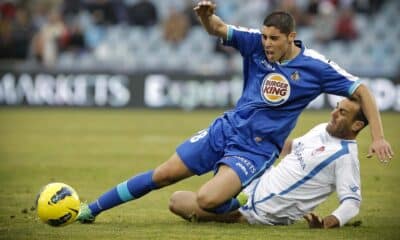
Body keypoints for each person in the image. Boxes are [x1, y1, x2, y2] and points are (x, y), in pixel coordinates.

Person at [76, 1, 393, 223]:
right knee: (163, 175)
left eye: (274, 39)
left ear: (291, 38)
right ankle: (91, 209)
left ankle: (248, 198)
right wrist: (205, 16)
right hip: (226, 129)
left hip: (256, 150)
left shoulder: (316, 67)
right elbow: (218, 29)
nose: (267, 44)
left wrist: (377, 137)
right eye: (265, 36)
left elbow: (362, 90)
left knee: (206, 201)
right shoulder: (254, 42)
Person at [169, 98, 367, 228]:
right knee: (185, 198)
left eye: (342, 113)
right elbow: (290, 147)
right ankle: (224, 204)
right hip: (257, 181)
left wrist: (328, 223)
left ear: (357, 125)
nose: (333, 113)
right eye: (336, 107)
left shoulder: (345, 156)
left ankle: (228, 213)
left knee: (177, 201)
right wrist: (255, 143)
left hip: (262, 212)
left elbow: (352, 202)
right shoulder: (322, 129)